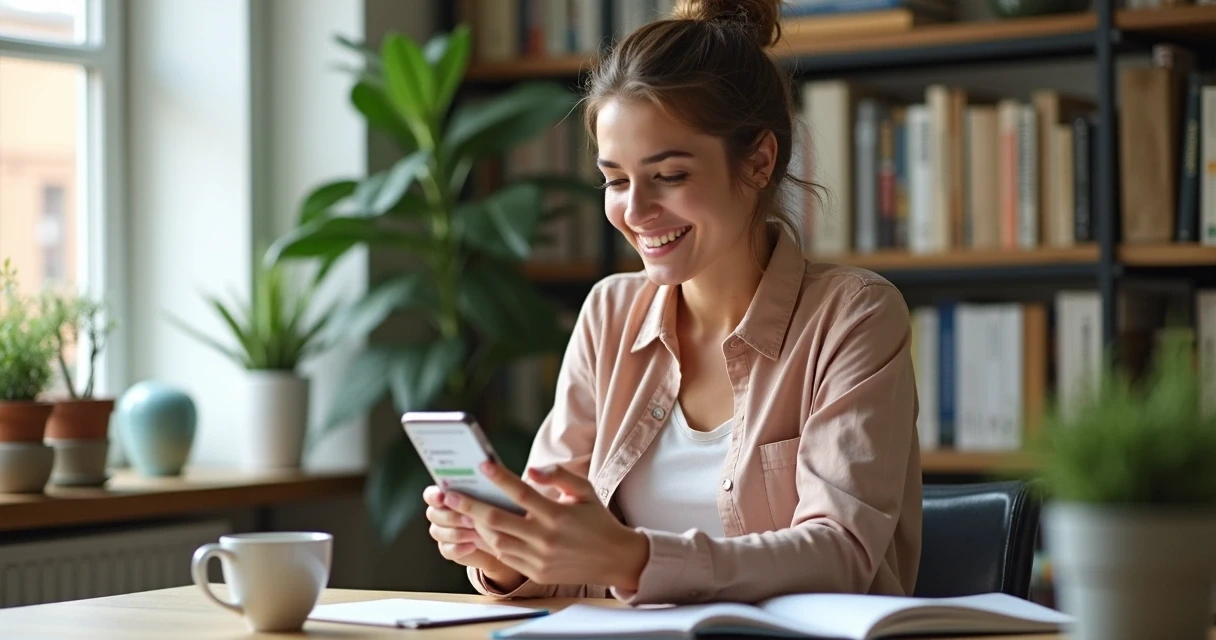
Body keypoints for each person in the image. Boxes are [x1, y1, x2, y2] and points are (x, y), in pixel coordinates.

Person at [422, 0, 921, 606]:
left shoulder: (854, 316)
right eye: (616, 179)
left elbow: (841, 554)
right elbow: (560, 549)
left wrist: (635, 558)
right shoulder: (610, 314)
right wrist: (504, 552)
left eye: (670, 175)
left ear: (760, 161)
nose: (634, 212)